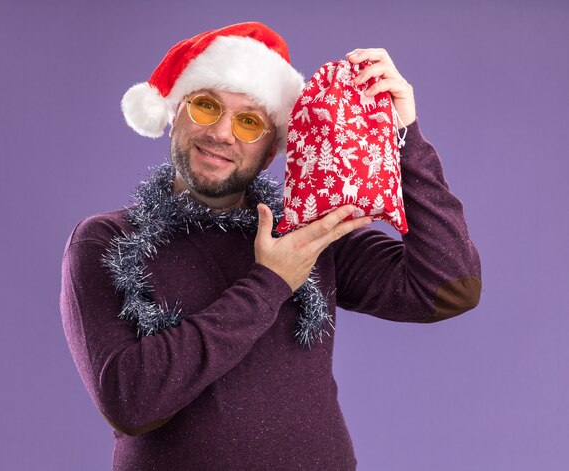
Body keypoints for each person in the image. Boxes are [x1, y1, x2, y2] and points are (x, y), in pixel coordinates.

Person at [60, 21, 481, 471]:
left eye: (248, 122)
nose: (222, 133)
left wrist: (403, 136)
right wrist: (270, 282)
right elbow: (130, 403)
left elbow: (448, 286)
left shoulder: (306, 233)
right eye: (206, 106)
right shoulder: (107, 241)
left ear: (270, 150)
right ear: (173, 115)